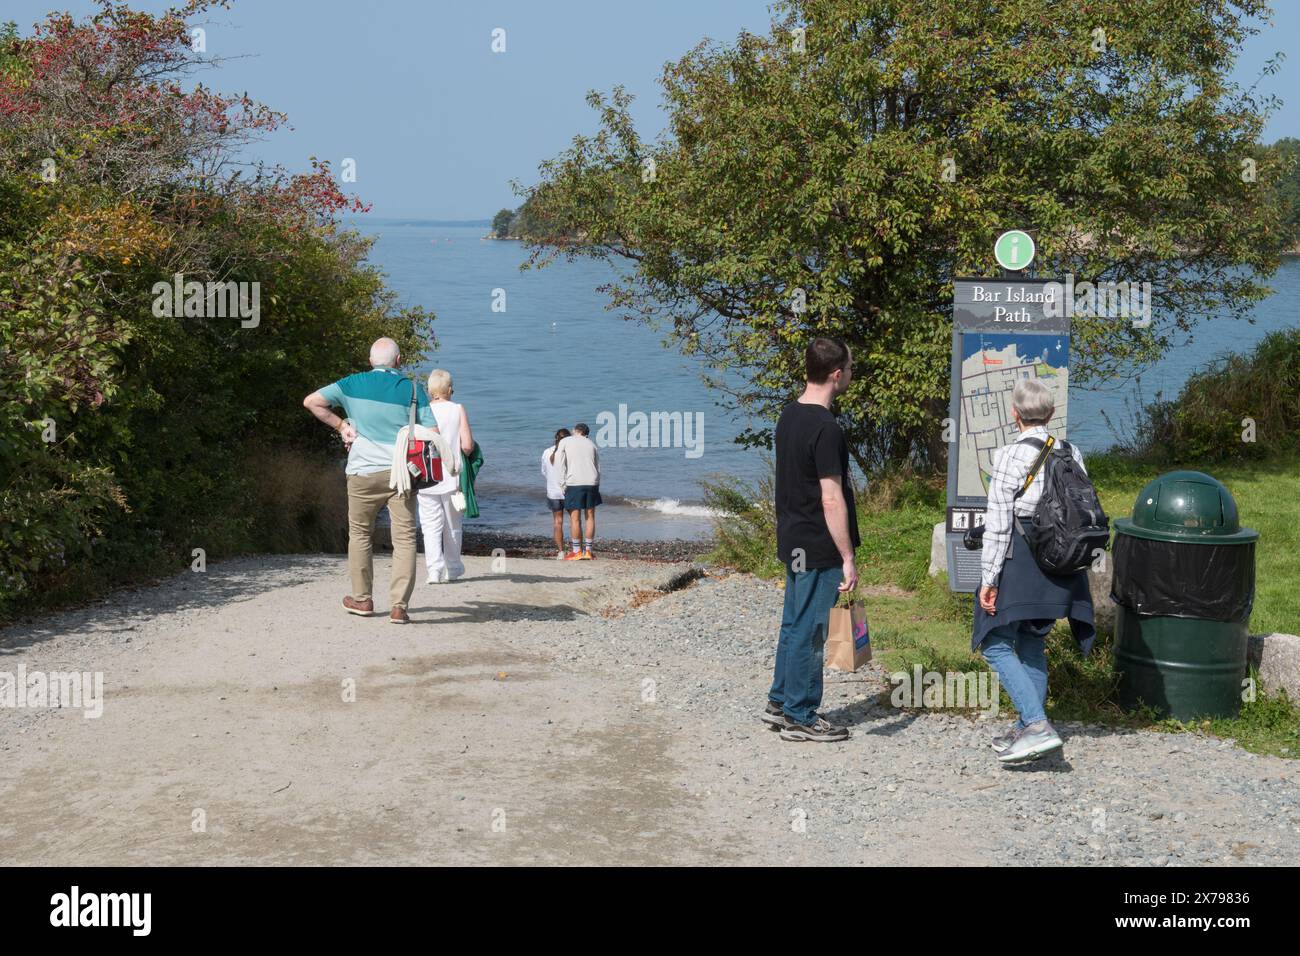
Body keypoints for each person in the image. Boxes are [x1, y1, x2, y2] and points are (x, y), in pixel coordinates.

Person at [974, 377, 1095, 765]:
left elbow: (998, 523)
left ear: (1015, 414)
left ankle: (1038, 725)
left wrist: (989, 580)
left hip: (1022, 561)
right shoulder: (1072, 451)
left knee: (992, 641)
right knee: (1031, 642)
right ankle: (1028, 727)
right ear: (1052, 413)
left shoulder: (1009, 455)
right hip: (1062, 565)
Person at [763, 338, 860, 743]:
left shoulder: (789, 415)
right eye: (851, 369)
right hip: (819, 544)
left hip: (793, 537)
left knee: (793, 621)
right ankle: (801, 715)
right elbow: (830, 497)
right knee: (813, 629)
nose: (852, 375)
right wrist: (848, 556)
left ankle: (781, 699)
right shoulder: (826, 428)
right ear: (837, 375)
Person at [303, 337, 434, 625]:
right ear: (398, 362)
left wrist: (342, 426)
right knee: (405, 539)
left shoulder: (351, 383)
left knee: (361, 534)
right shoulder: (413, 389)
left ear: (370, 360)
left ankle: (362, 600)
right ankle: (399, 607)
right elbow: (432, 431)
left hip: (362, 472)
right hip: (401, 473)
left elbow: (312, 402)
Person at [419, 369, 475, 583]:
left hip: (426, 476)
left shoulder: (422, 410)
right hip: (452, 476)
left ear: (431, 390)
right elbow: (467, 446)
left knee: (430, 525)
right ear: (449, 389)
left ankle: (434, 570)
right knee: (453, 524)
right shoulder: (457, 409)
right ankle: (453, 568)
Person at [554, 423, 601, 560]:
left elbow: (559, 463)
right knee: (590, 516)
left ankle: (576, 551)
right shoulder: (592, 444)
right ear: (586, 434)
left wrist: (562, 484)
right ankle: (588, 551)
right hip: (592, 482)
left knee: (575, 518)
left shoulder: (565, 441)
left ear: (575, 431)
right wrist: (597, 484)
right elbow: (598, 467)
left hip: (574, 482)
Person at [541, 428, 571, 559]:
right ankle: (577, 549)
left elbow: (544, 472)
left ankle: (560, 551)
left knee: (558, 522)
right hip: (569, 491)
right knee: (575, 521)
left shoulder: (547, 452)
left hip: (553, 492)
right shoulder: (570, 453)